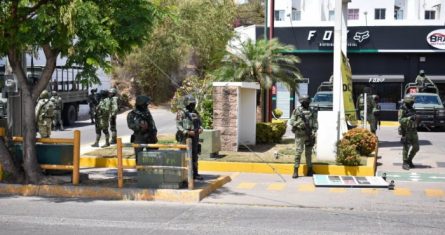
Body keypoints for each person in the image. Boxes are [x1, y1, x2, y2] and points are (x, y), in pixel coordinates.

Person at [289, 95, 318, 178]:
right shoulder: (297, 111)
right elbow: (291, 122)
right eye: (305, 102)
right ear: (302, 102)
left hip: (309, 135)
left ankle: (309, 170)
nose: (307, 103)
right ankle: (295, 170)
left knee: (308, 153)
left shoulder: (312, 111)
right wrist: (299, 124)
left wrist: (314, 131)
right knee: (298, 153)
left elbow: (315, 122)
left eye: (308, 102)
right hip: (300, 135)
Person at [176, 95, 203, 180]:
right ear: (186, 103)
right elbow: (178, 125)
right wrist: (187, 132)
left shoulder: (195, 112)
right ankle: (184, 174)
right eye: (191, 103)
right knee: (184, 156)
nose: (192, 105)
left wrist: (201, 128)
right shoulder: (181, 113)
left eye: (193, 103)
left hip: (195, 137)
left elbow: (200, 122)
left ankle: (195, 173)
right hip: (185, 138)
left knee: (195, 155)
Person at [127, 95, 158, 162]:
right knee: (139, 158)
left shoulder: (147, 112)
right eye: (146, 104)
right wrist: (139, 126)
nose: (147, 105)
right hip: (139, 137)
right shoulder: (132, 114)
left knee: (153, 157)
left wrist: (154, 132)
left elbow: (152, 123)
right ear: (141, 104)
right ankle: (140, 171)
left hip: (151, 137)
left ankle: (152, 171)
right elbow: (130, 125)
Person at [398, 94, 419, 170]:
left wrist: (417, 119)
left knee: (416, 147)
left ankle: (409, 160)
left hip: (413, 131)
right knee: (406, 148)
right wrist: (410, 118)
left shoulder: (412, 109)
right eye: (411, 101)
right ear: (407, 101)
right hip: (406, 131)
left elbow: (415, 118)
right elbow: (400, 120)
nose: (412, 103)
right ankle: (405, 163)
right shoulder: (402, 109)